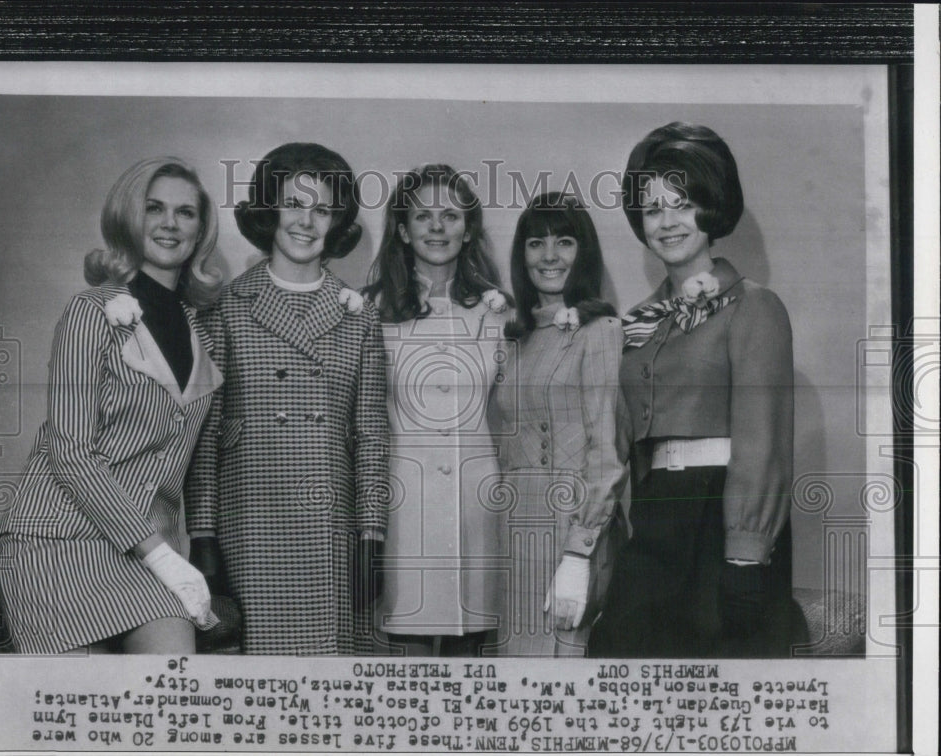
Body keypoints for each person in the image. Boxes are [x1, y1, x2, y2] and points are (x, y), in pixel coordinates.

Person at [587, 122, 808, 657]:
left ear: (713, 209)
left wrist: (746, 555)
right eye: (653, 208)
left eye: (682, 204)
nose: (667, 222)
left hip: (723, 520)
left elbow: (763, 447)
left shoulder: (754, 306)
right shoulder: (639, 322)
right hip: (659, 517)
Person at [0, 157, 225, 654]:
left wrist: (172, 554)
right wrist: (162, 557)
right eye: (154, 208)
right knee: (77, 717)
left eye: (185, 213)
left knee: (175, 698)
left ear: (200, 229)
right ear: (129, 216)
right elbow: (71, 452)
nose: (170, 223)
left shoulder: (203, 332)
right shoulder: (90, 312)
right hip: (60, 540)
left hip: (147, 552)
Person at [185, 142, 390, 655]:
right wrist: (204, 535)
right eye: (294, 204)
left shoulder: (358, 315)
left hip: (330, 528)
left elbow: (370, 435)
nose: (306, 221)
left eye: (322, 209)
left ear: (338, 222)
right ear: (268, 209)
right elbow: (205, 438)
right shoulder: (227, 308)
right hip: (249, 526)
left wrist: (372, 533)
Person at [364, 164, 511, 657]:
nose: (436, 227)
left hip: (478, 507)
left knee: (471, 656)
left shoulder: (499, 313)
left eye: (450, 215)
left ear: (468, 229)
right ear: (403, 231)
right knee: (404, 656)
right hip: (402, 509)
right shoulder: (369, 311)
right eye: (422, 216)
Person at [489, 192, 629, 657]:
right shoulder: (517, 336)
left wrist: (579, 553)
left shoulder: (601, 331)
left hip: (568, 531)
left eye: (564, 241)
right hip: (514, 532)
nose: (549, 256)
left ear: (583, 251)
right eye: (536, 243)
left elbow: (606, 453)